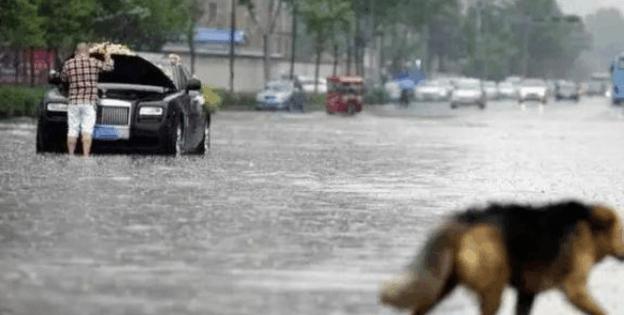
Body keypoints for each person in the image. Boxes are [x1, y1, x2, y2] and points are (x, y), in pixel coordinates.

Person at [61, 43, 114, 156]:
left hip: (74, 102)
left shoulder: (68, 64)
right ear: (88, 52)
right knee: (87, 130)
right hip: (89, 102)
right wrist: (108, 57)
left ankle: (71, 155)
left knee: (72, 129)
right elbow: (109, 67)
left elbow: (63, 78)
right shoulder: (93, 62)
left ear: (76, 52)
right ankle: (85, 156)